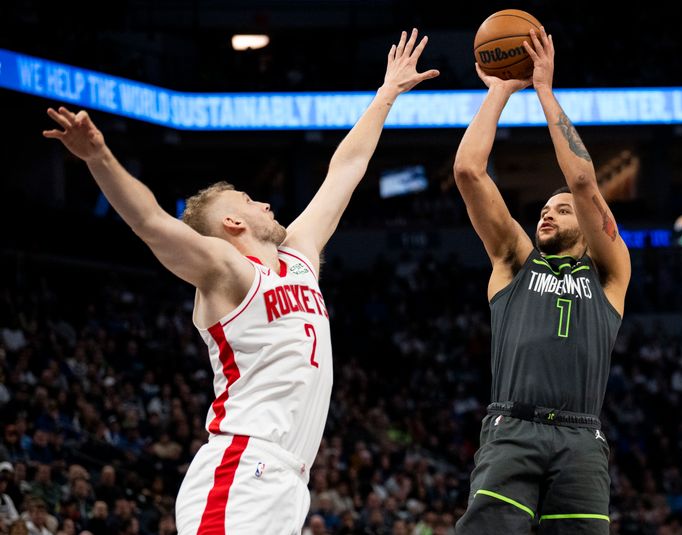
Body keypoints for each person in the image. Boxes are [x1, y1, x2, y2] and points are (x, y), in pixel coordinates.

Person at [44, 28, 439, 535]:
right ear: (232, 224)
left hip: (288, 479)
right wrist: (99, 155)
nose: (267, 204)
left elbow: (348, 167)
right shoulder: (227, 271)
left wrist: (386, 95)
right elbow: (150, 222)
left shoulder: (299, 255)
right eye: (251, 201)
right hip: (242, 468)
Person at [453, 27, 631, 535]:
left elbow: (581, 180)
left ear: (590, 219)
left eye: (561, 210)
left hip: (581, 437)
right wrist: (499, 92)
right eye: (543, 210)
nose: (546, 215)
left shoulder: (610, 273)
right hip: (513, 427)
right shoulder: (514, 260)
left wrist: (545, 90)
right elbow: (468, 170)